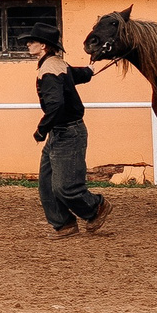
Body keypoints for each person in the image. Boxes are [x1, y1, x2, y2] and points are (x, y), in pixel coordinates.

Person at [27, 28, 108, 238]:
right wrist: (90, 70)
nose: (27, 44)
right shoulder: (55, 64)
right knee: (47, 185)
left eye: (31, 41)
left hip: (67, 133)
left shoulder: (50, 70)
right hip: (61, 132)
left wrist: (41, 130)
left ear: (43, 46)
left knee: (65, 187)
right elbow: (77, 75)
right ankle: (64, 224)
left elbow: (56, 105)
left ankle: (95, 207)